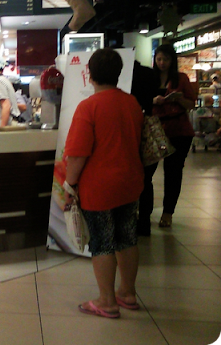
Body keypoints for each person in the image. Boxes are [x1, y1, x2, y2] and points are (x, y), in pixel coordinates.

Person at [63, 48, 145, 319]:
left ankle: (107, 301)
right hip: (130, 182)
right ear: (118, 73)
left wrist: (69, 186)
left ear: (90, 74)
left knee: (102, 243)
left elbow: (77, 154)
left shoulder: (89, 107)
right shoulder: (132, 103)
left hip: (99, 187)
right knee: (127, 238)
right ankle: (128, 293)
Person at [147, 44, 196, 228]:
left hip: (178, 129)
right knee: (147, 171)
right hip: (154, 128)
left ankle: (168, 212)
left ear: (172, 61)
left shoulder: (181, 78)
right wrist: (153, 100)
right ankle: (145, 211)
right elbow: (141, 100)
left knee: (173, 172)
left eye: (166, 59)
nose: (162, 63)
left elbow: (191, 104)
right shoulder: (150, 78)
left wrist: (179, 98)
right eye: (159, 59)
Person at [131, 60, 160, 236]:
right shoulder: (149, 74)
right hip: (147, 130)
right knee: (146, 180)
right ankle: (144, 222)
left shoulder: (124, 75)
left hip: (130, 132)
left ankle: (129, 220)